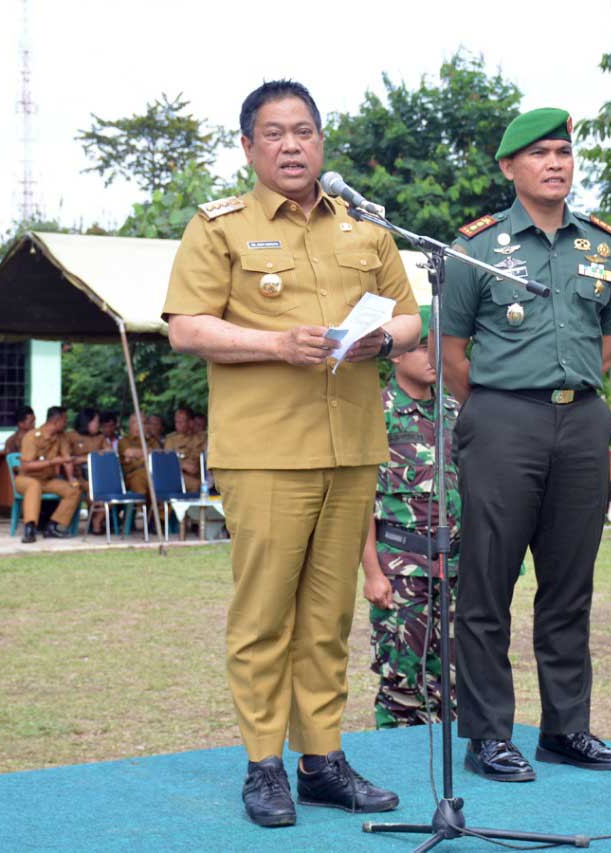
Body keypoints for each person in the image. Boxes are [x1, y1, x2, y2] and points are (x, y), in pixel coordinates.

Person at [163, 79, 420, 828]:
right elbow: (187, 328)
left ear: (321, 140)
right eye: (273, 133)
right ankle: (263, 765)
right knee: (265, 614)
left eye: (303, 131)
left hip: (350, 448)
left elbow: (408, 319)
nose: (291, 145)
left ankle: (323, 760)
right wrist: (275, 341)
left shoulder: (365, 231)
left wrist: (383, 338)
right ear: (249, 147)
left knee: (328, 615)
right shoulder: (219, 228)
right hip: (267, 451)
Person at [440, 108, 611, 782]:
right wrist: (500, 405)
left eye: (564, 151)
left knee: (569, 585)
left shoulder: (604, 247)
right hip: (501, 419)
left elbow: (607, 341)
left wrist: (564, 395)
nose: (556, 163)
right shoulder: (474, 247)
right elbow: (451, 351)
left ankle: (566, 728)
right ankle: (489, 734)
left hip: (582, 420)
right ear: (508, 168)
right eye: (539, 153)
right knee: (488, 583)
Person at [361, 305, 462, 729]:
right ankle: (400, 772)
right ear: (397, 354)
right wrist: (372, 573)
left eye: (439, 347)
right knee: (402, 684)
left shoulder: (455, 412)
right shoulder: (374, 413)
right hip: (400, 570)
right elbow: (359, 502)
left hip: (455, 568)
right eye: (423, 347)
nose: (434, 356)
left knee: (454, 683)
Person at [14, 405, 82, 543]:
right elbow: (26, 465)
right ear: (56, 421)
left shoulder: (61, 437)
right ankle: (29, 528)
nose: (66, 423)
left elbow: (66, 459)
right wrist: (51, 462)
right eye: (65, 420)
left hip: (48, 480)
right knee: (34, 486)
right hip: (26, 479)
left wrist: (71, 479)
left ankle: (52, 526)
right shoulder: (32, 436)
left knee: (73, 490)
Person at [162, 406, 206, 493]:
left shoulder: (202, 438)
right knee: (197, 485)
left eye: (181, 421)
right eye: (176, 421)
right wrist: (183, 465)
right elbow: (167, 463)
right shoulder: (171, 439)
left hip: (200, 474)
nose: (177, 424)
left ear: (191, 423)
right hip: (179, 475)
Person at [116, 411, 159, 499]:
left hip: (153, 473)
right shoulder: (124, 441)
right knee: (139, 482)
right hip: (133, 476)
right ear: (131, 424)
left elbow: (157, 455)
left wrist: (138, 456)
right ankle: (140, 511)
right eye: (138, 423)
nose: (143, 426)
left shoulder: (152, 441)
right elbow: (129, 452)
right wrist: (148, 453)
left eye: (144, 423)